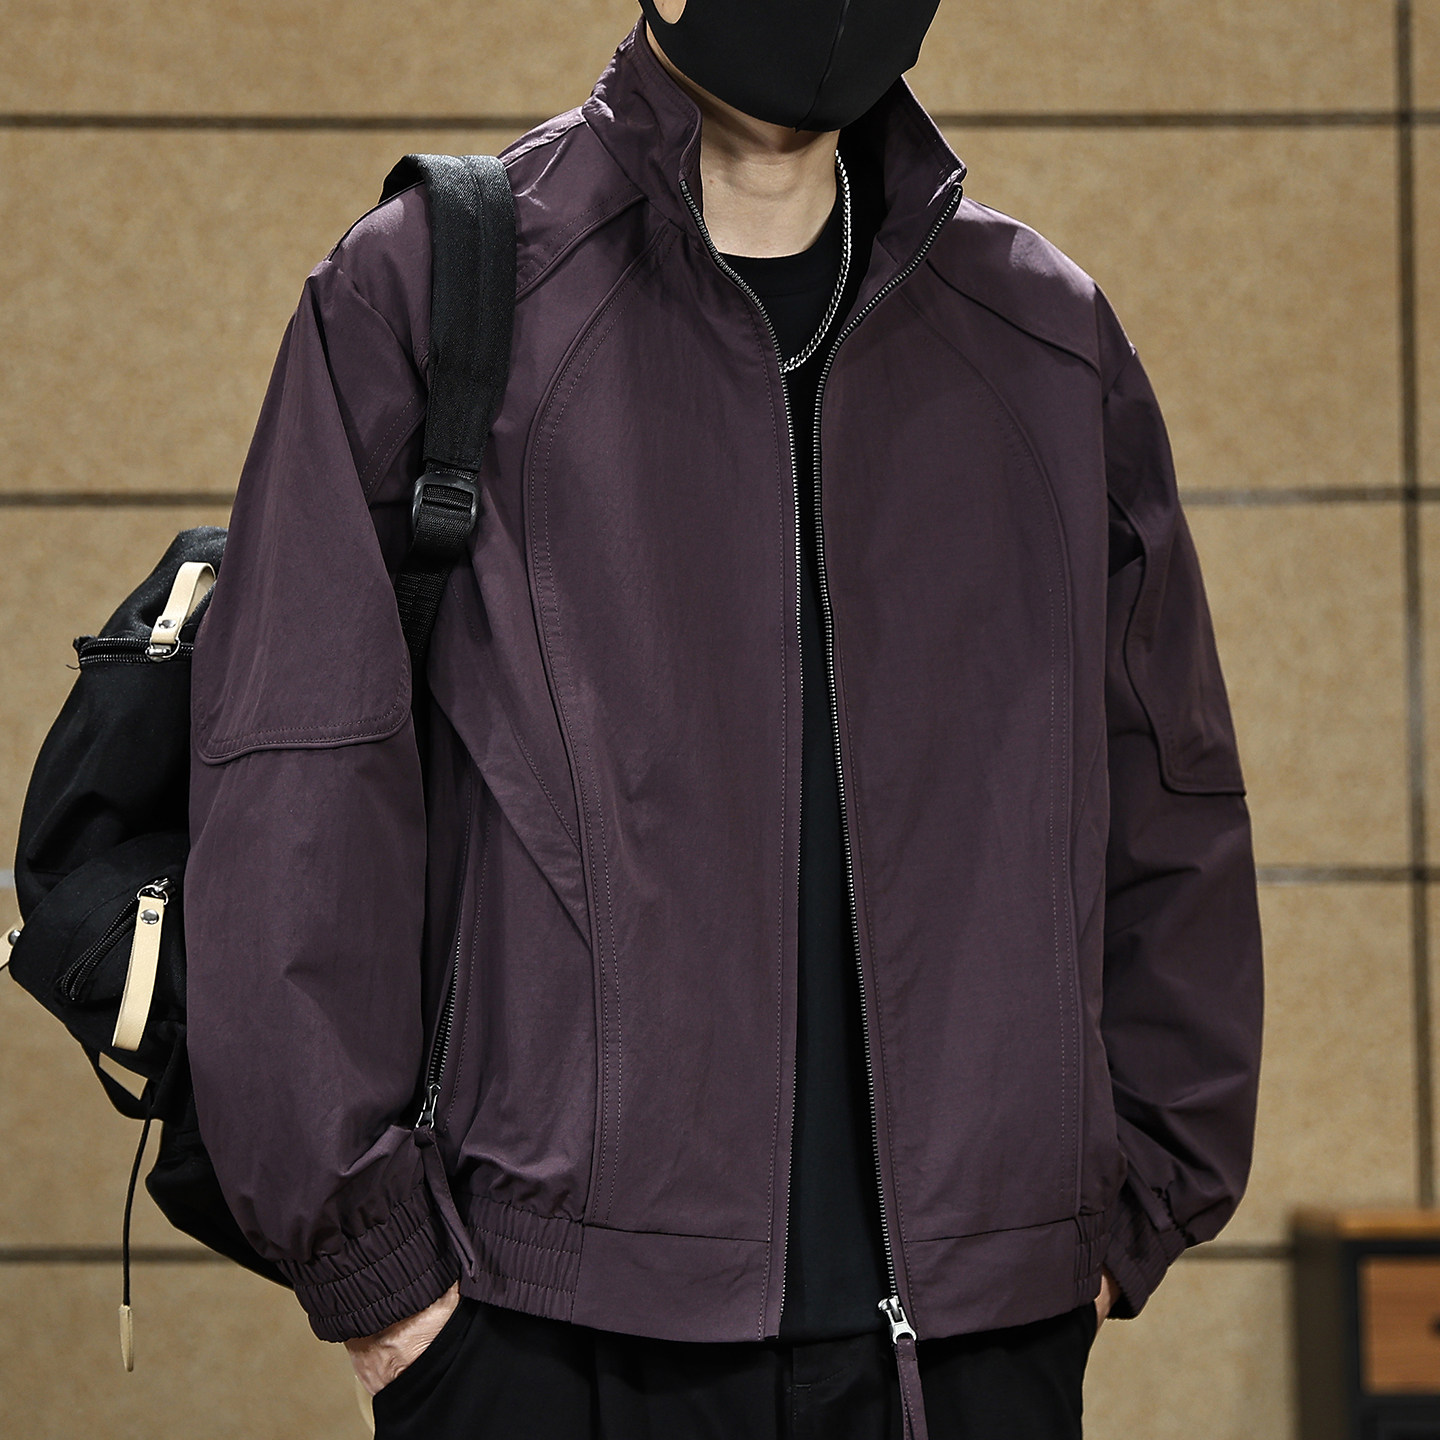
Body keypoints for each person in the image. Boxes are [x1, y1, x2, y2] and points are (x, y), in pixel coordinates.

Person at [183, 3, 1264, 1437]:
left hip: (973, 1347)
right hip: (548, 1330)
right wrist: (386, 1283)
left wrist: (1131, 1214)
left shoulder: (1045, 341)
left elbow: (1170, 791)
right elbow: (296, 784)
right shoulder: (433, 291)